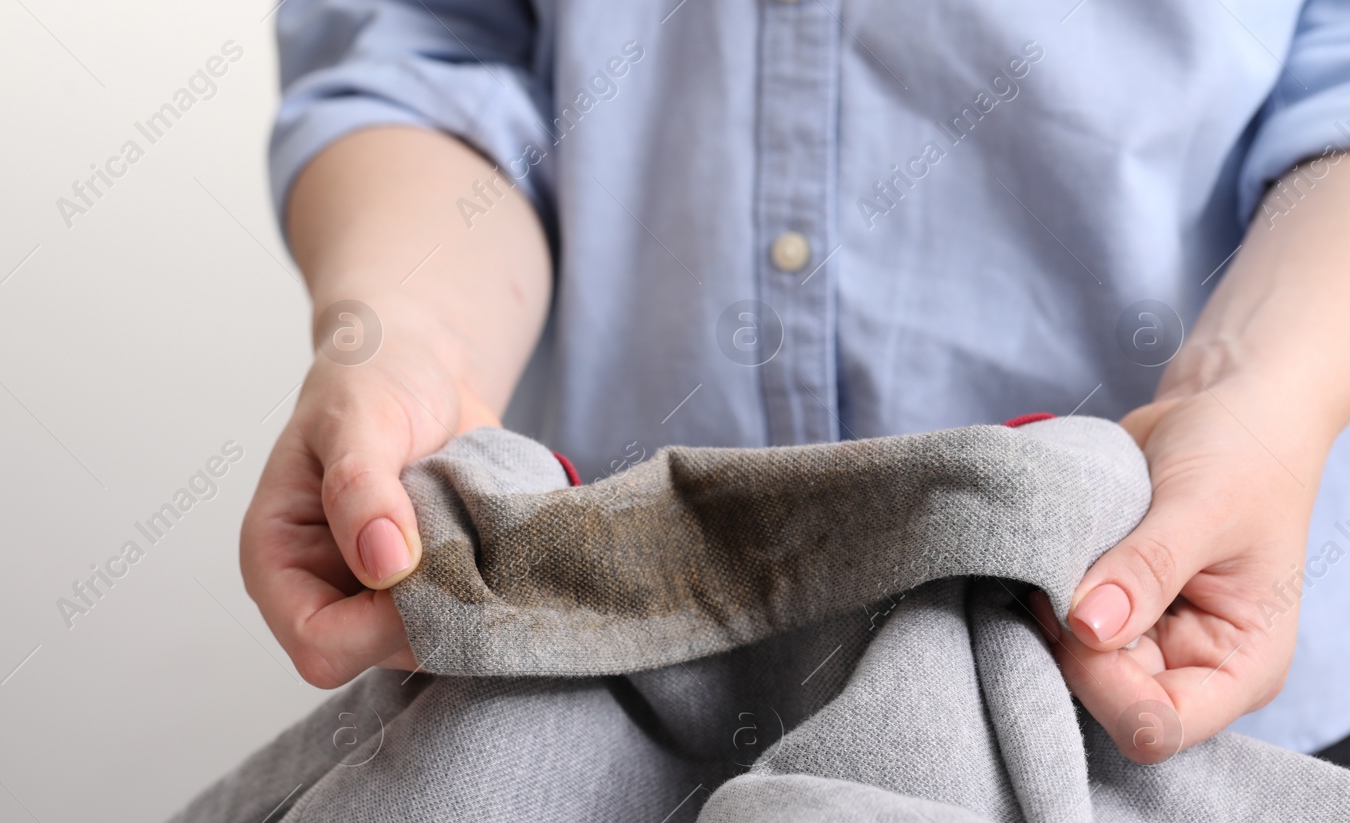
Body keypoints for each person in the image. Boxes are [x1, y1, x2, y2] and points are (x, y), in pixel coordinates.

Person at [240, 0, 1350, 762]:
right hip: (610, 705)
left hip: (1180, 659)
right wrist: (412, 340)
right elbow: (432, 48)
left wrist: (1260, 399)